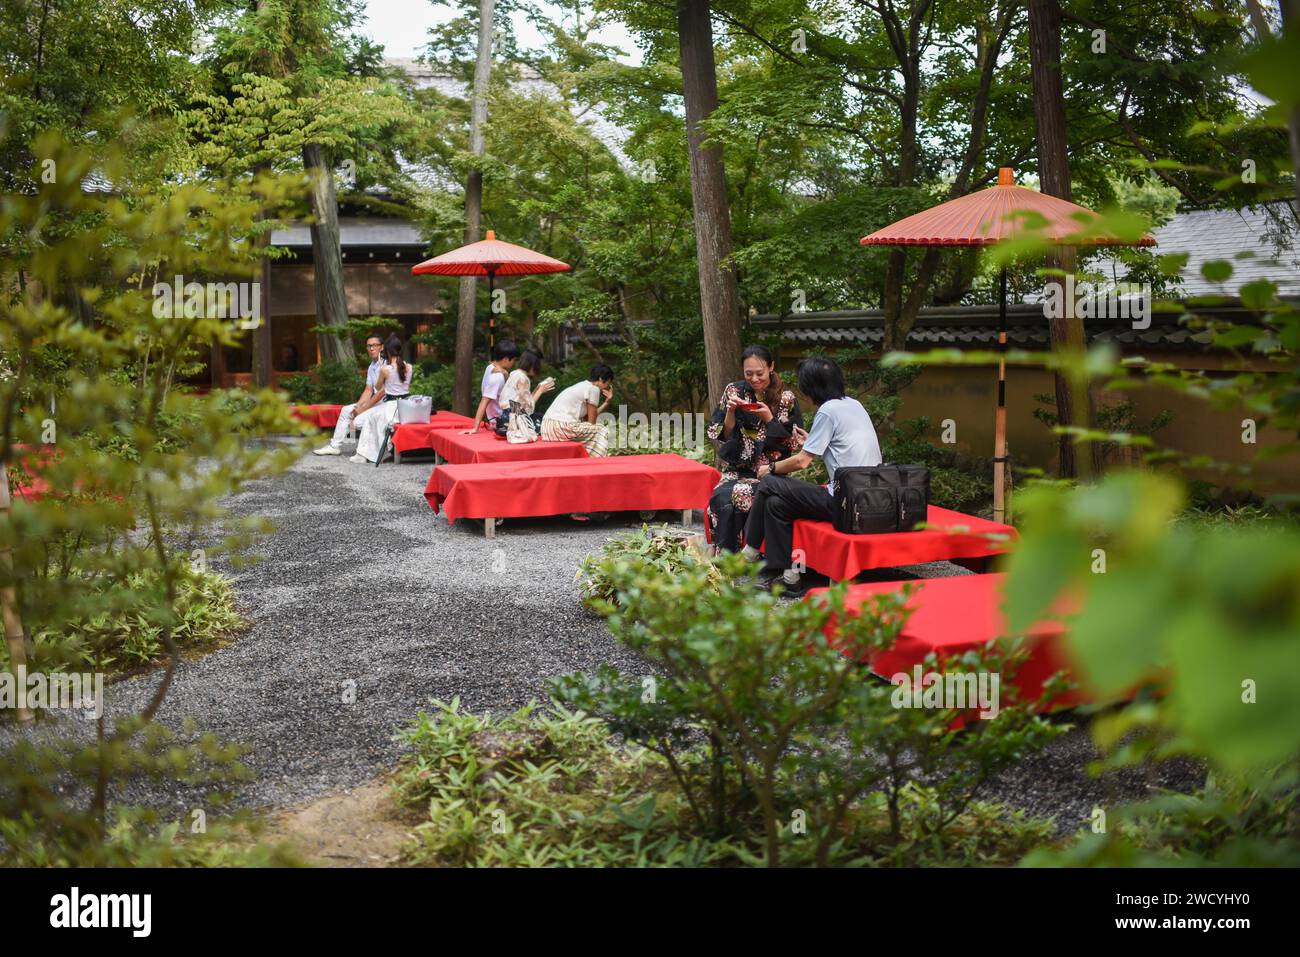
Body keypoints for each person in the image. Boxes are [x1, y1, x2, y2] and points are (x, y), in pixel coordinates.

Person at [741, 355, 882, 598]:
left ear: (811, 387)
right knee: (776, 505)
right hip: (870, 496)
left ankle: (750, 550)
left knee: (771, 483)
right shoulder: (853, 404)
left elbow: (802, 462)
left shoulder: (827, 411)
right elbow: (843, 447)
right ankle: (790, 577)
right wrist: (812, 441)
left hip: (845, 502)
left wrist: (771, 468)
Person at [706, 345, 803, 552]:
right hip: (736, 469)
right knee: (722, 497)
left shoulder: (786, 398)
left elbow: (794, 444)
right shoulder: (733, 390)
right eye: (748, 373)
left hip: (771, 473)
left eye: (760, 373)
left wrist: (769, 420)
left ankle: (736, 553)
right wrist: (731, 412)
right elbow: (719, 433)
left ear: (771, 367)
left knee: (739, 493)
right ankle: (727, 554)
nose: (754, 379)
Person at [313, 335, 385, 456]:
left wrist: (363, 408)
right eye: (369, 346)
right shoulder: (371, 366)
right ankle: (334, 446)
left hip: (385, 404)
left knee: (357, 421)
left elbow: (381, 392)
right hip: (375, 403)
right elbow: (368, 390)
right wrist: (359, 405)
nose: (371, 348)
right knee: (347, 410)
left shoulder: (385, 365)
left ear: (381, 347)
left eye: (375, 345)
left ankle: (367, 451)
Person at [351, 335, 414, 464]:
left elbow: (377, 386)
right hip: (406, 406)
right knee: (374, 419)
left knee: (371, 419)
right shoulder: (409, 367)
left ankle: (366, 454)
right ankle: (371, 452)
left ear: (388, 352)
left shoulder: (385, 369)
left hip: (391, 406)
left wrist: (381, 368)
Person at [541, 363, 614, 457]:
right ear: (600, 379)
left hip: (547, 428)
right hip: (561, 427)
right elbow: (592, 422)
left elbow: (587, 420)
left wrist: (606, 402)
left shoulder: (582, 385)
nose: (608, 386)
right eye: (608, 382)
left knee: (589, 428)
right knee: (602, 430)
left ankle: (583, 458)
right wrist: (608, 402)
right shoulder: (594, 389)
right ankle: (594, 462)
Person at [465, 340, 520, 434]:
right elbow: (484, 401)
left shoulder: (490, 367)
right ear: (506, 360)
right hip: (502, 422)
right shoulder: (497, 377)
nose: (514, 363)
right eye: (514, 360)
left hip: (503, 417)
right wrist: (475, 428)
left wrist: (506, 374)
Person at [502, 350, 555, 443]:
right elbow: (528, 409)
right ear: (532, 365)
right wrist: (540, 391)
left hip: (505, 415)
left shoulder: (514, 373)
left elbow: (520, 401)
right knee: (546, 423)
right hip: (514, 418)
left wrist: (536, 390)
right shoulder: (523, 379)